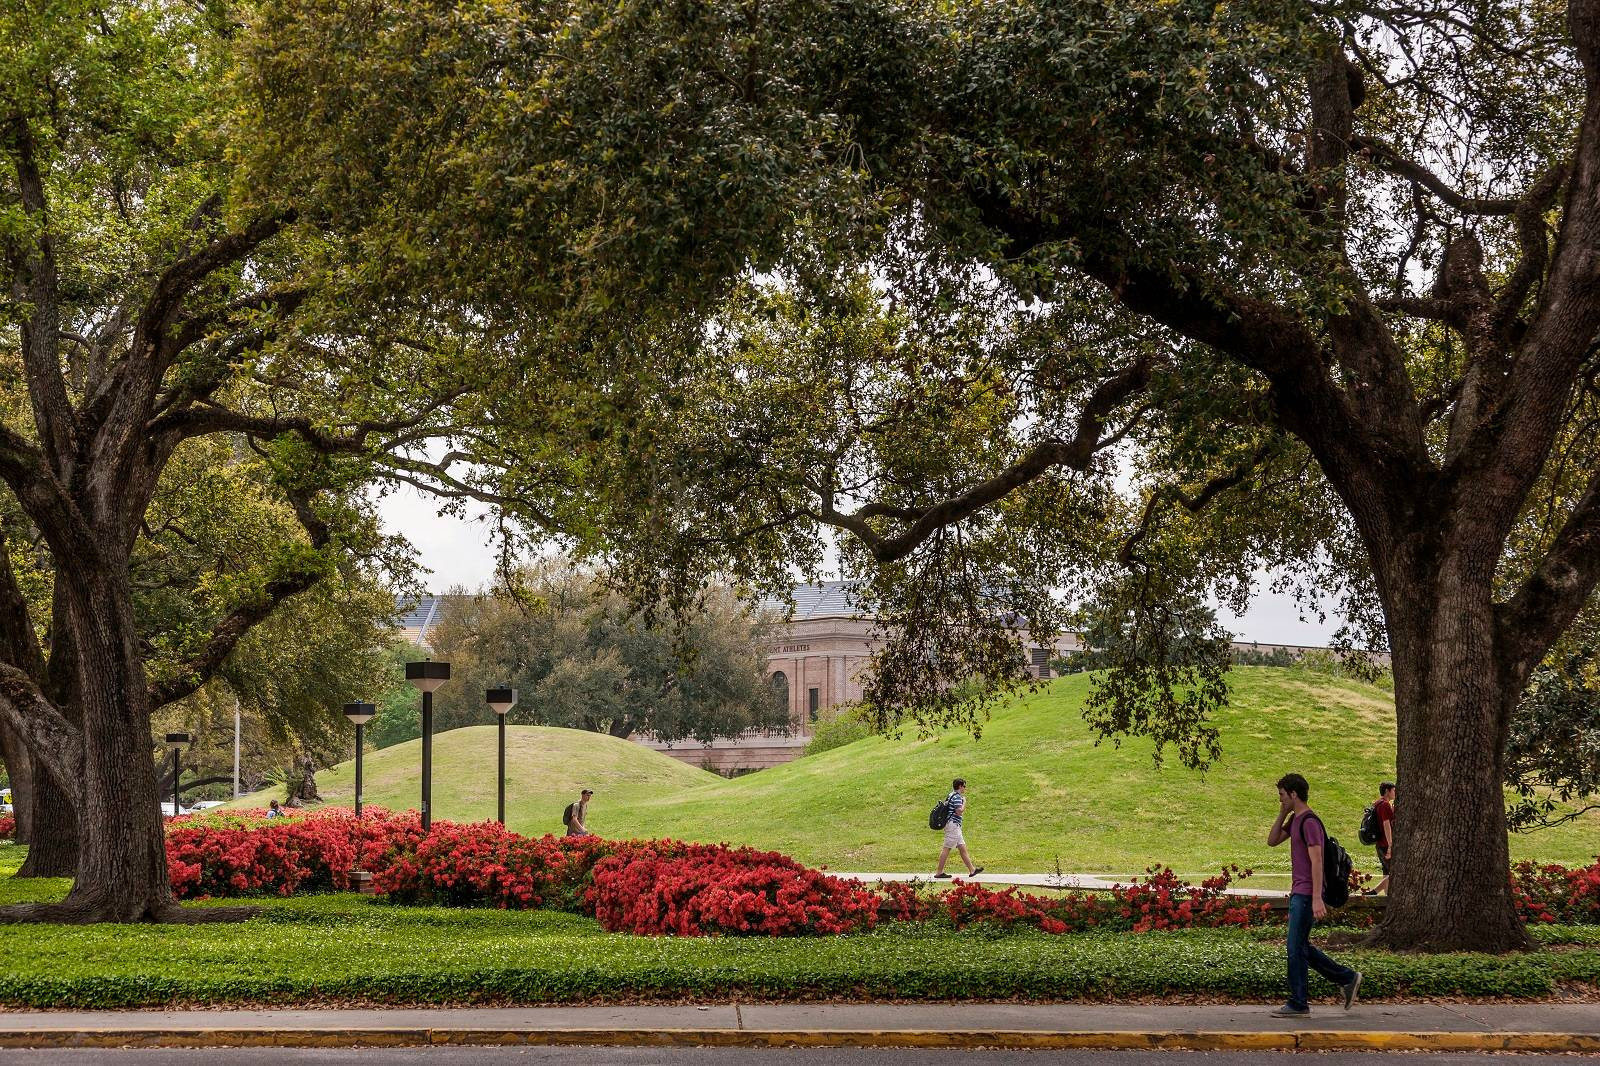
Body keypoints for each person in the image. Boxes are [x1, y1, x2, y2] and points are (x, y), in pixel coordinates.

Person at [1267, 772, 1361, 1017]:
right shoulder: (1296, 820)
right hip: (1299, 892)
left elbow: (1317, 860)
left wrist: (1317, 897)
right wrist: (1282, 815)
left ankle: (1299, 1003)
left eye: (1282, 796)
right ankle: (1348, 978)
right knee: (1300, 947)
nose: (1280, 801)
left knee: (1294, 948)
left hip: (1307, 894)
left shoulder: (1309, 822)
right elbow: (1272, 840)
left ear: (1294, 794)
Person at [933, 778, 984, 879]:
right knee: (947, 848)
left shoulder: (951, 795)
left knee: (962, 847)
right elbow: (959, 811)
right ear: (960, 786)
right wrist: (964, 801)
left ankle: (972, 870)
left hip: (953, 825)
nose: (965, 788)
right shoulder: (957, 797)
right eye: (964, 786)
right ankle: (939, 872)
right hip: (953, 825)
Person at [1368, 782, 1395, 895]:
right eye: (1393, 790)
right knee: (1394, 873)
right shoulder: (1384, 805)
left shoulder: (1377, 803)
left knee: (1386, 872)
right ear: (1387, 791)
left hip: (1379, 843)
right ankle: (1374, 892)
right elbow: (1386, 824)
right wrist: (1390, 845)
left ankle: (1386, 898)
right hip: (1385, 843)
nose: (1395, 793)